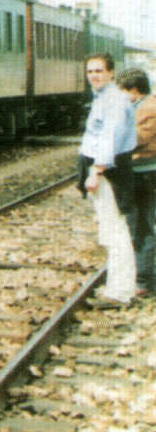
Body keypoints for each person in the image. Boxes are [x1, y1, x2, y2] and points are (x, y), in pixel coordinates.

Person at [79, 53, 138, 306]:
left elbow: (109, 138)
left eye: (99, 71)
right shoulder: (104, 97)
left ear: (111, 73)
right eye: (90, 71)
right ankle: (117, 288)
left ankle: (120, 292)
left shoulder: (113, 99)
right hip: (106, 171)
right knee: (111, 229)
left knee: (116, 231)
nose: (94, 75)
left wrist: (96, 171)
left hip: (109, 173)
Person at [117, 67, 156, 298]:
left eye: (122, 91)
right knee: (137, 224)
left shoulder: (150, 108)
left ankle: (144, 280)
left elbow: (137, 138)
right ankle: (140, 276)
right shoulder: (138, 106)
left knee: (141, 225)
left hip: (145, 173)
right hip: (137, 172)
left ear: (134, 90)